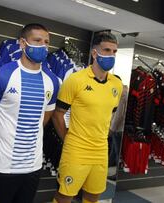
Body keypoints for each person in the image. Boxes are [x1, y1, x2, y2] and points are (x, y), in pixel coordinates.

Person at [0, 23, 59, 203]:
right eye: (37, 41)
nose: (43, 46)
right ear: (23, 43)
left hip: (33, 167)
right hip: (1, 166)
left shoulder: (52, 81)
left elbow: (44, 117)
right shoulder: (1, 76)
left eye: (46, 42)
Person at [52, 32, 123, 203]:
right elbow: (57, 114)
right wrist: (67, 139)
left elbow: (108, 114)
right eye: (106, 50)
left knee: (93, 196)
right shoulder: (76, 80)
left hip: (100, 151)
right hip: (77, 150)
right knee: (64, 196)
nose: (111, 55)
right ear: (94, 53)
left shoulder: (117, 84)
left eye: (114, 51)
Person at [108, 85, 128, 180]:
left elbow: (119, 114)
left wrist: (112, 128)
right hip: (119, 127)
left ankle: (117, 174)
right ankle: (107, 165)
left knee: (117, 152)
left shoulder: (121, 94)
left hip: (118, 128)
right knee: (114, 149)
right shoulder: (124, 92)